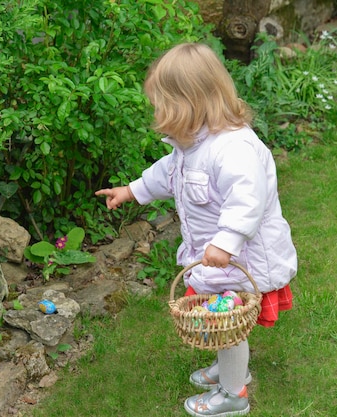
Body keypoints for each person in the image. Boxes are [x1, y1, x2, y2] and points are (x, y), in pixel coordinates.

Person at [95, 42, 297, 417]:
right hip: (215, 259)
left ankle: (233, 394)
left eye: (160, 104)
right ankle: (229, 367)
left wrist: (227, 242)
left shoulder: (234, 149)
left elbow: (246, 201)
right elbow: (167, 174)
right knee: (223, 320)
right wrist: (132, 191)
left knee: (227, 321)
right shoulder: (189, 146)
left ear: (188, 104)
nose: (156, 112)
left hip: (240, 260)